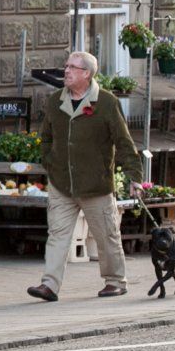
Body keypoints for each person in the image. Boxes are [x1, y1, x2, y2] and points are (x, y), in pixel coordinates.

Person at [29, 50, 141, 301]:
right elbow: (46, 137)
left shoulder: (107, 103)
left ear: (87, 74)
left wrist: (135, 176)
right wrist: (49, 161)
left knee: (106, 236)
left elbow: (124, 142)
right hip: (62, 183)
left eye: (72, 67)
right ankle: (49, 285)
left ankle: (115, 281)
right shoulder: (56, 100)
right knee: (57, 235)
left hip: (96, 185)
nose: (66, 71)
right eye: (66, 66)